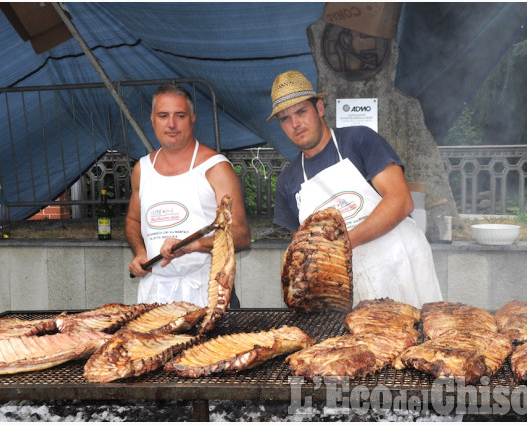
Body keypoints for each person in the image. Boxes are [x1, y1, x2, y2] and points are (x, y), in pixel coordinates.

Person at [268, 70, 442, 308]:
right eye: (285, 119)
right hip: (349, 288)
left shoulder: (360, 140)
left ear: (319, 108)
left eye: (301, 111)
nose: (295, 123)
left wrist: (343, 244)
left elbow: (401, 201)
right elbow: (303, 250)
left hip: (400, 266)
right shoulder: (288, 180)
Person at [126, 83, 251, 307]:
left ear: (192, 118)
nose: (171, 124)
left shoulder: (216, 168)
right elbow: (133, 220)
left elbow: (241, 235)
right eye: (164, 116)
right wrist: (139, 252)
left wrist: (196, 245)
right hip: (155, 296)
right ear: (153, 120)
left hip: (208, 294)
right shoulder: (142, 169)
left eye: (180, 115)